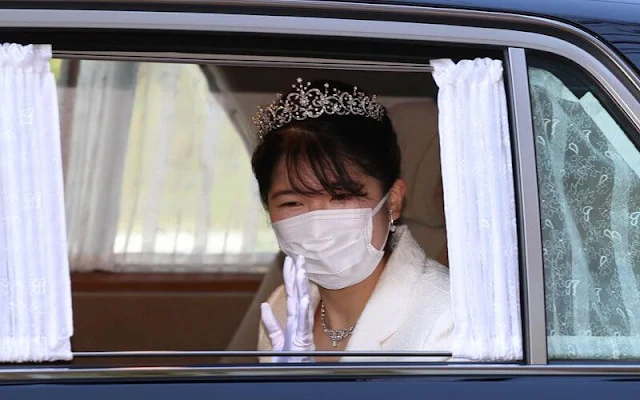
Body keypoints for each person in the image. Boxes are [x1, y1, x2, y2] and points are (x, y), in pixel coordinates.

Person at [251, 78, 453, 362]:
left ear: (392, 200)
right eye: (292, 202)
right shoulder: (282, 308)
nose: (318, 222)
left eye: (342, 197)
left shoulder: (445, 318)